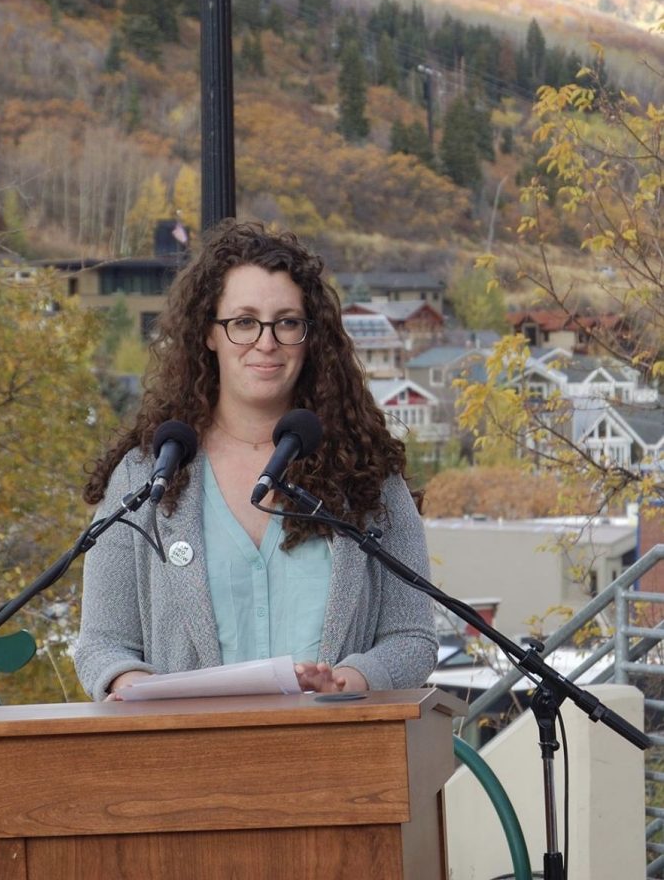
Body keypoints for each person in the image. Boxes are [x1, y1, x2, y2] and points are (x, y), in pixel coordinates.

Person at [73, 220, 437, 702]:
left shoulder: (364, 474)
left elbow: (412, 638)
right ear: (209, 332)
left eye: (287, 322)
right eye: (243, 322)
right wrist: (131, 683)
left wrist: (350, 679)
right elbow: (100, 642)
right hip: (189, 763)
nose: (266, 342)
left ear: (311, 338)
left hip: (337, 759)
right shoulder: (149, 474)